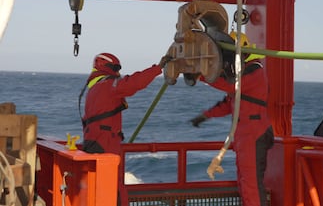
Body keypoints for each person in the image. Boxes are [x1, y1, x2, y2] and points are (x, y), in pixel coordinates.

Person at [190, 34, 274, 206]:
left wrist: (201, 75)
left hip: (253, 135)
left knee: (251, 184)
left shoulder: (255, 70)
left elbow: (231, 87)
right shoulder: (245, 73)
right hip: (246, 136)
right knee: (245, 181)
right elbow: (230, 104)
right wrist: (205, 115)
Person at [80, 52, 171, 206]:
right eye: (116, 68)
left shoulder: (93, 88)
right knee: (112, 185)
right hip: (105, 142)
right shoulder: (108, 85)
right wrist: (158, 68)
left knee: (98, 183)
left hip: (93, 140)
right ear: (107, 67)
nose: (118, 73)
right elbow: (134, 83)